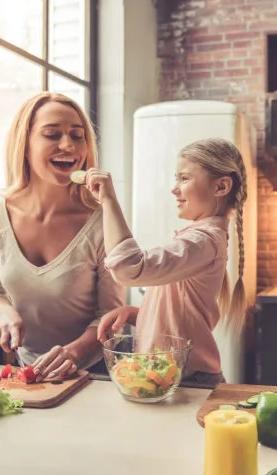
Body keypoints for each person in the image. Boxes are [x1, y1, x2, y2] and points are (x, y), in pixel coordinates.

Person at [0, 92, 125, 380]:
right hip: (29, 371)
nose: (68, 146)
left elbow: (110, 317)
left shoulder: (101, 221)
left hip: (96, 373)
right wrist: (5, 312)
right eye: (52, 134)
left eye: (78, 136)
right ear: (25, 145)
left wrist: (73, 353)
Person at [84, 137, 248, 386]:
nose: (174, 188)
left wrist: (108, 200)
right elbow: (180, 317)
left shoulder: (203, 240)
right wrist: (135, 314)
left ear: (221, 187)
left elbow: (129, 268)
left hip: (189, 380)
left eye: (184, 178)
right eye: (177, 178)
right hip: (176, 377)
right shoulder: (203, 239)